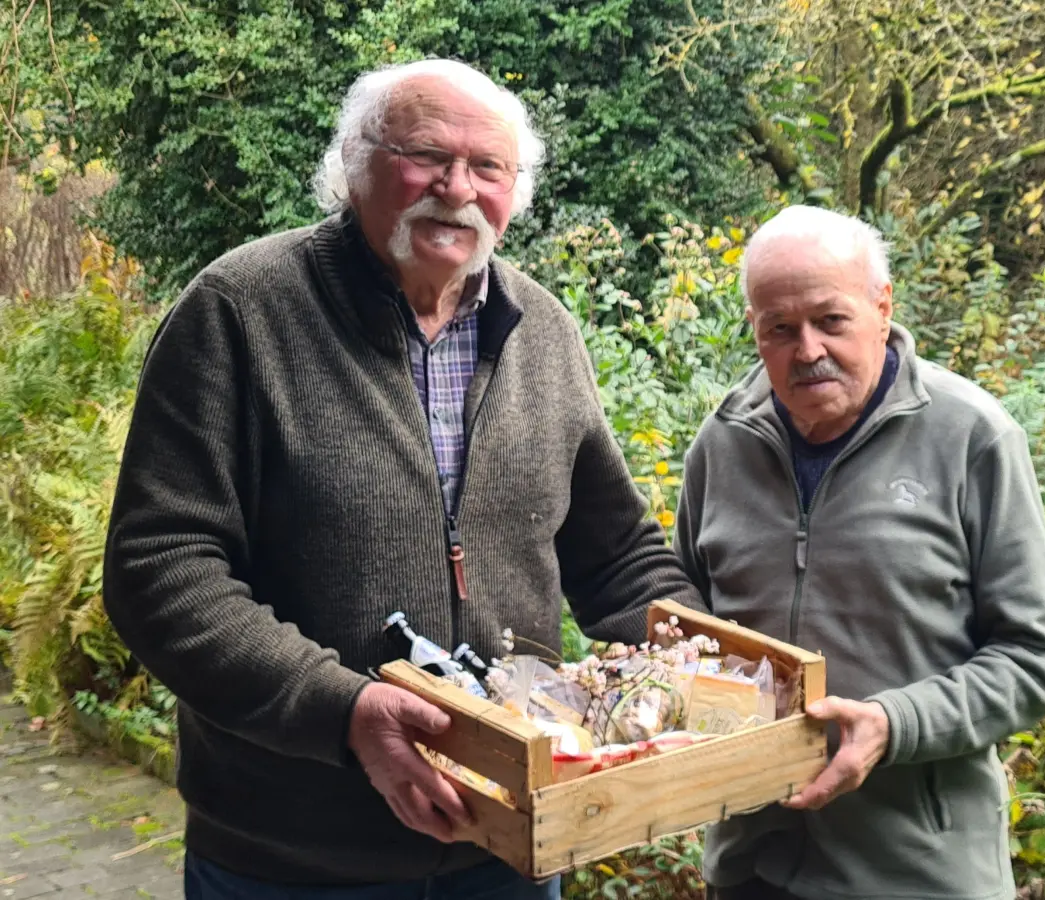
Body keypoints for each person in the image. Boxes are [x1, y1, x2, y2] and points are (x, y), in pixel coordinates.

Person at [101, 58, 702, 899]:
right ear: (353, 163)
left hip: (509, 845)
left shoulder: (544, 331)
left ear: (513, 191)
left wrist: (705, 669)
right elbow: (159, 567)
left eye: (488, 167)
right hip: (291, 856)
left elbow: (616, 554)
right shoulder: (239, 311)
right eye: (425, 155)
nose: (456, 188)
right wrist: (342, 712)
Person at [672, 205, 1045, 900]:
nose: (807, 351)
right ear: (755, 330)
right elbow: (686, 623)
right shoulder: (723, 443)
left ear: (881, 307)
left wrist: (896, 724)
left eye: (831, 320)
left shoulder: (972, 438)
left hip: (917, 873)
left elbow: (1038, 661)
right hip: (749, 868)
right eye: (780, 329)